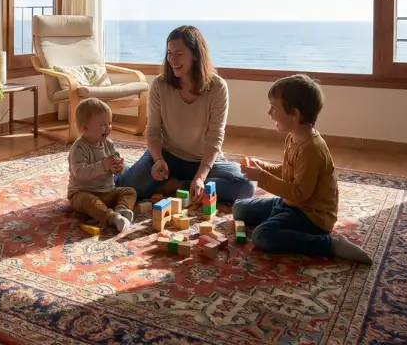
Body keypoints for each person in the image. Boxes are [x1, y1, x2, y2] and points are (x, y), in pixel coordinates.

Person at [233, 74, 372, 263]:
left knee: (262, 236)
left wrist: (262, 177)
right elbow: (289, 170)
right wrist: (262, 166)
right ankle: (282, 222)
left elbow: (300, 194)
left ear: (295, 114)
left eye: (274, 107)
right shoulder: (293, 136)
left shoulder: (311, 148)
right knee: (239, 209)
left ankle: (330, 244)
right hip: (290, 204)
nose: (269, 113)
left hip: (311, 216)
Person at [115, 25, 255, 204]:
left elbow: (215, 137)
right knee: (127, 188)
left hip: (202, 160)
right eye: (169, 53)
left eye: (179, 53)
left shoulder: (218, 88)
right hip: (167, 156)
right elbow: (153, 131)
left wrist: (201, 177)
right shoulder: (160, 85)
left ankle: (179, 184)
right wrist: (157, 160)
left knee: (245, 186)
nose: (172, 59)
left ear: (196, 54)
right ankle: (149, 176)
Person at [67, 98, 136, 232]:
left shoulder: (108, 144)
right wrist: (103, 166)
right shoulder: (79, 148)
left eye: (110, 123)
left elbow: (117, 168)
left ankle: (122, 209)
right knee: (87, 200)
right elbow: (80, 173)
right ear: (84, 127)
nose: (109, 128)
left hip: (107, 191)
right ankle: (112, 217)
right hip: (83, 192)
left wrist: (118, 168)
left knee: (129, 191)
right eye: (103, 125)